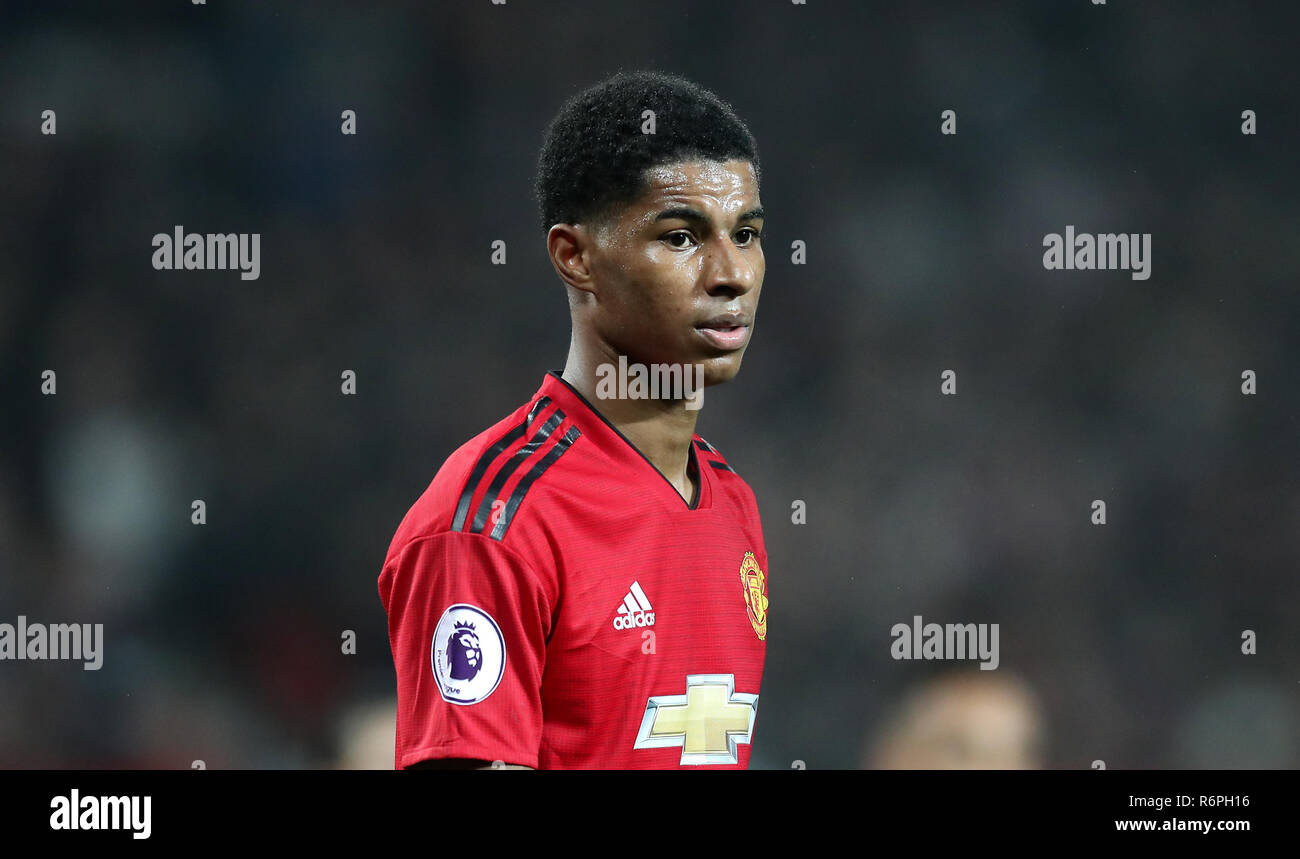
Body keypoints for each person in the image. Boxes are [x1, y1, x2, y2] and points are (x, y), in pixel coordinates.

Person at [378, 69, 770, 768]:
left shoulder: (733, 503)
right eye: (681, 236)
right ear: (575, 257)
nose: (730, 272)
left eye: (746, 233)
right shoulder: (494, 521)